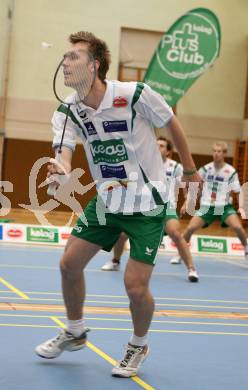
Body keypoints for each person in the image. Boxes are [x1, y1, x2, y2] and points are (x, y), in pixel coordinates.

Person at [35, 31, 201, 378]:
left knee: (135, 287)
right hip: (108, 200)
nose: (65, 61)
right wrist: (60, 171)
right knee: (68, 264)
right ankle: (76, 330)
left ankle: (139, 344)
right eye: (65, 55)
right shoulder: (68, 110)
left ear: (94, 65)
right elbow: (63, 154)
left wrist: (189, 169)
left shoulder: (134, 94)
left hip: (146, 203)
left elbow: (170, 121)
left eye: (74, 56)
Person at [102, 136, 199, 282]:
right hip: (143, 206)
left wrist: (187, 202)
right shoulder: (143, 163)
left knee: (176, 233)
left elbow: (189, 188)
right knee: (122, 235)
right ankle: (115, 261)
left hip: (166, 206)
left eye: (161, 146)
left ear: (168, 152)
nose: (157, 147)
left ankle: (191, 269)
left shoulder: (175, 167)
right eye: (156, 145)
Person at [170, 141, 248, 263]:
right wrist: (186, 203)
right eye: (215, 151)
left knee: (238, 227)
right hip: (207, 206)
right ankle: (181, 254)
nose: (216, 154)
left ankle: (246, 249)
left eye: (219, 151)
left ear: (224, 154)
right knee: (190, 228)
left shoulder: (231, 171)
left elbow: (238, 191)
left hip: (224, 206)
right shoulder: (205, 169)